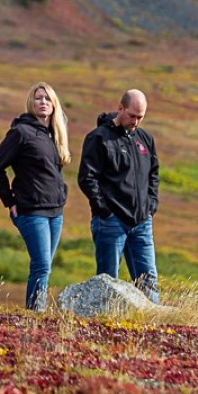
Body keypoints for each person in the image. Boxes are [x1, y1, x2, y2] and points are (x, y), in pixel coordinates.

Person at [0, 82, 71, 310]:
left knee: (46, 266)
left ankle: (37, 313)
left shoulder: (54, 134)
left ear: (54, 105)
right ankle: (35, 314)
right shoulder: (20, 132)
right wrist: (10, 201)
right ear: (31, 103)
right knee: (41, 265)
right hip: (31, 210)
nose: (43, 102)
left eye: (47, 98)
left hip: (55, 211)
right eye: (38, 98)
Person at [77, 88, 160, 302]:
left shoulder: (145, 139)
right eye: (132, 115)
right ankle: (102, 326)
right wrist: (104, 210)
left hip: (141, 221)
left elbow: (154, 174)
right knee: (107, 281)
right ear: (120, 108)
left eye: (140, 117)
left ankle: (153, 328)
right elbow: (87, 178)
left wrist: (151, 204)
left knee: (148, 281)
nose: (135, 121)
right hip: (111, 222)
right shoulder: (99, 138)